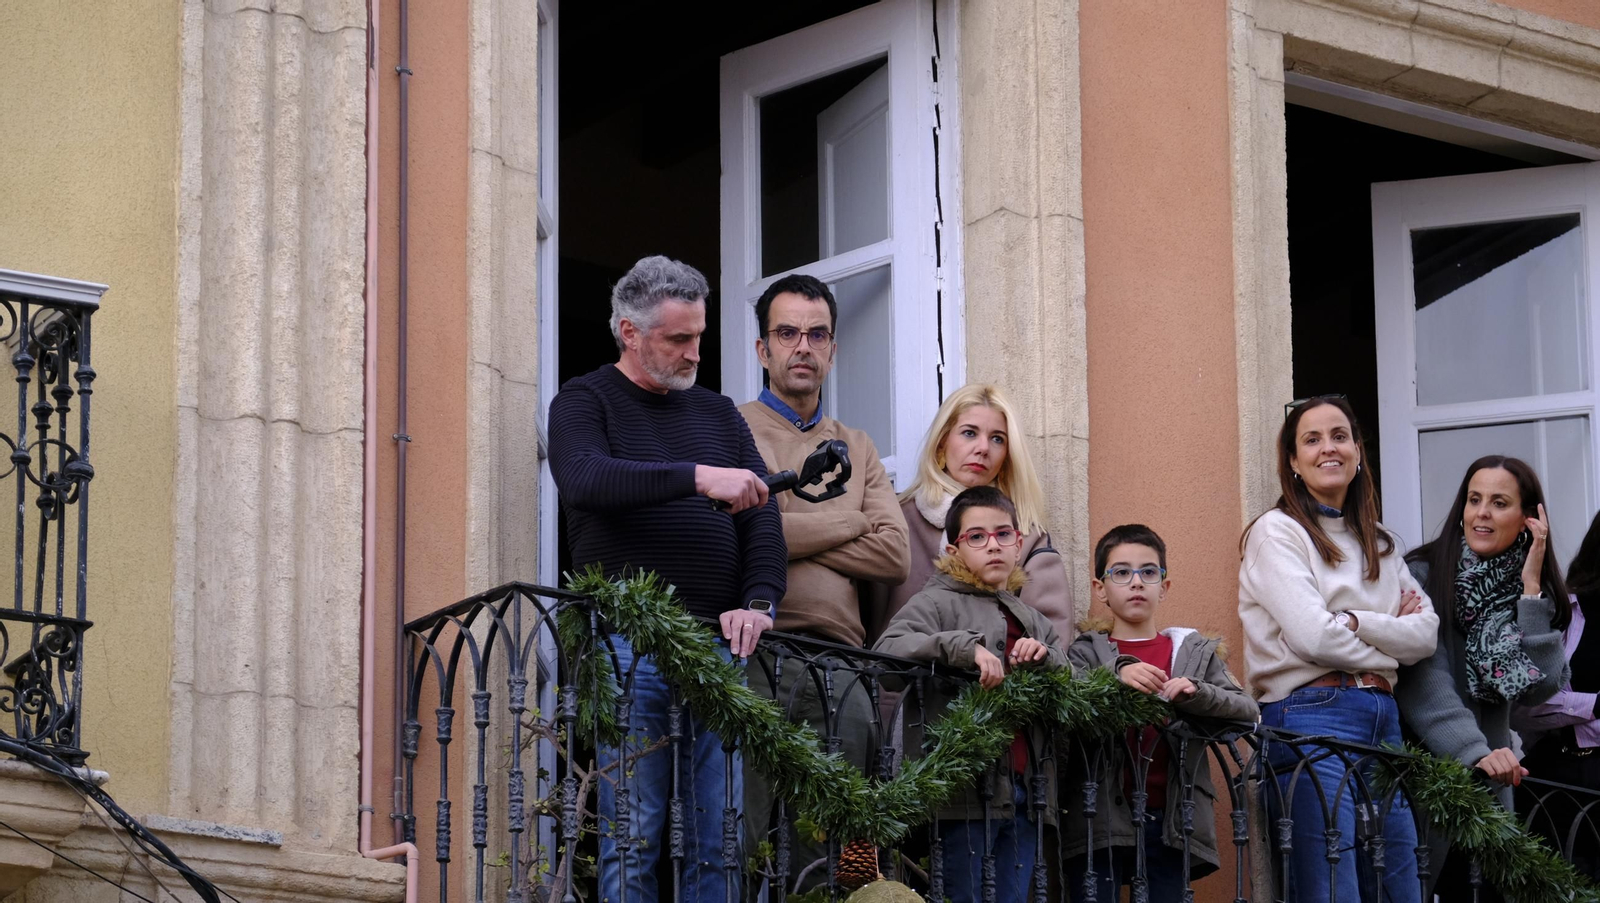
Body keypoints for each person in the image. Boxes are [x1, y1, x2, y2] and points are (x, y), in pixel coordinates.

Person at [547, 255, 787, 903]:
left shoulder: (718, 415)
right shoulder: (584, 399)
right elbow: (585, 478)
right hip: (626, 643)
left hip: (717, 646)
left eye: (699, 336)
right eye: (677, 339)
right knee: (634, 833)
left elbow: (762, 518)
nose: (693, 352)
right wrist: (697, 476)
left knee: (720, 836)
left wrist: (759, 601)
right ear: (629, 331)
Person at [736, 273, 910, 894]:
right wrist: (851, 518)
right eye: (787, 333)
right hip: (752, 653)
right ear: (763, 348)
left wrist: (785, 520)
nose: (802, 346)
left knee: (827, 855)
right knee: (738, 837)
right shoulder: (732, 429)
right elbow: (747, 538)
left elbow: (894, 555)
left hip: (843, 665)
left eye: (817, 334)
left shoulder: (856, 445)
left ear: (833, 348)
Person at [1237, 395, 1438, 903]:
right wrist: (1389, 645)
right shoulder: (1276, 533)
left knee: (1400, 889)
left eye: (1339, 436)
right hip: (1309, 716)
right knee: (1331, 891)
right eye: (1312, 439)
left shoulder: (1382, 543)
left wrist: (1355, 621)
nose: (1329, 448)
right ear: (1292, 462)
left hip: (1383, 720)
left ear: (1358, 452)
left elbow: (1426, 635)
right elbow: (1313, 636)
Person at [873, 485, 1069, 903]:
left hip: (1026, 793)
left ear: (1019, 544)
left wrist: (1047, 656)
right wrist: (962, 648)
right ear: (954, 549)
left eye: (1003, 535)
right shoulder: (935, 602)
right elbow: (885, 657)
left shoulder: (1032, 618)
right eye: (976, 536)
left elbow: (1075, 685)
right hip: (961, 794)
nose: (992, 546)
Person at [1396, 455, 1572, 899]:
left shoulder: (1525, 594)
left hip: (1490, 787)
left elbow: (1544, 686)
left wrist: (1531, 591)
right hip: (1429, 783)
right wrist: (1476, 751)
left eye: (1498, 502)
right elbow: (1424, 682)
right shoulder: (1421, 573)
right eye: (1474, 500)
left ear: (1528, 519)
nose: (1482, 514)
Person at [1064, 524, 1257, 902]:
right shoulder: (1085, 652)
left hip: (1171, 820)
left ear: (1164, 587)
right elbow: (1070, 697)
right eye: (1121, 572)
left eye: (1149, 572)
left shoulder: (1192, 652)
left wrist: (1195, 692)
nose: (1136, 582)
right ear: (1100, 588)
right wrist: (1115, 673)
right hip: (1097, 817)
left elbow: (1246, 710)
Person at [864, 384, 1073, 644]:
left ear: (1007, 457)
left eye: (998, 438)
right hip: (899, 681)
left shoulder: (1028, 537)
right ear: (942, 444)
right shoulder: (896, 519)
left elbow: (1053, 642)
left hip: (998, 681)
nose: (983, 447)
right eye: (969, 433)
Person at [1512, 508, 1600, 881]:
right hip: (1551, 779)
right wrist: (1595, 705)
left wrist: (1573, 707)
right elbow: (1520, 705)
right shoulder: (1561, 610)